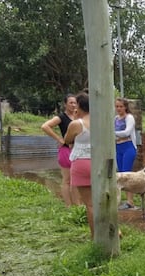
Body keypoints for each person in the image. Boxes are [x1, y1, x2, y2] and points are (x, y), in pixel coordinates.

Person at [63, 92, 94, 238]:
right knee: (104, 199)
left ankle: (96, 237)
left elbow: (67, 140)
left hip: (81, 163)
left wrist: (75, 118)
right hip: (99, 162)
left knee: (90, 204)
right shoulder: (101, 121)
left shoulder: (76, 124)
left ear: (80, 107)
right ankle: (115, 229)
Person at [42, 94, 79, 206]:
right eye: (70, 103)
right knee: (67, 179)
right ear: (65, 104)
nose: (73, 105)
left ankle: (77, 205)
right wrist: (59, 138)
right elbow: (45, 126)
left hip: (78, 150)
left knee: (76, 180)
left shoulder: (79, 117)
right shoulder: (61, 117)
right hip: (66, 150)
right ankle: (68, 205)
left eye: (75, 103)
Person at [114, 97, 138, 209]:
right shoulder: (115, 119)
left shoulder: (129, 118)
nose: (119, 108)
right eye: (117, 106)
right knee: (121, 174)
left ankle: (130, 200)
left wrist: (113, 133)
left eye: (121, 106)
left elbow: (127, 132)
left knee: (127, 174)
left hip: (128, 147)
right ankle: (125, 199)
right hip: (118, 147)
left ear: (125, 107)